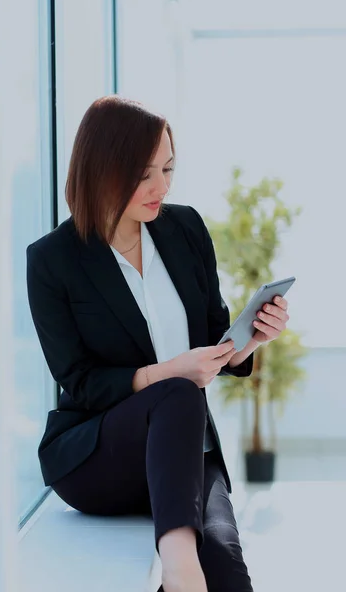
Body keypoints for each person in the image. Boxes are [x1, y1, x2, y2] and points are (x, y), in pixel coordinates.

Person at [26, 95, 290, 592]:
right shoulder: (52, 260)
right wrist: (167, 374)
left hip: (183, 449)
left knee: (229, 568)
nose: (161, 187)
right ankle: (179, 568)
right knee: (178, 391)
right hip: (99, 453)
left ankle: (186, 567)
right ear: (103, 168)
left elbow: (214, 338)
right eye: (144, 173)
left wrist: (250, 338)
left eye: (168, 169)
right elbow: (79, 383)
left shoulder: (185, 228)